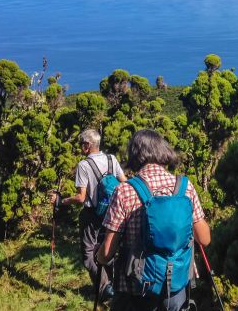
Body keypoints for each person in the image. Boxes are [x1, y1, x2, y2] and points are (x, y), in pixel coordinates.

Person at [97, 129, 211, 311]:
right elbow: (204, 238)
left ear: (135, 154)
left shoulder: (125, 190)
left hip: (136, 288)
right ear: (162, 150)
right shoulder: (184, 186)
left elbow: (108, 252)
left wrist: (99, 256)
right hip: (176, 285)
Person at [50, 128, 126, 302]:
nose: (80, 147)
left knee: (88, 256)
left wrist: (61, 201)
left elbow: (81, 197)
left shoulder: (84, 165)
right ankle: (106, 289)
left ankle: (106, 287)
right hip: (112, 213)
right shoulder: (111, 159)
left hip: (91, 215)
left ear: (87, 145)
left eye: (81, 143)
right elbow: (125, 183)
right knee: (106, 250)